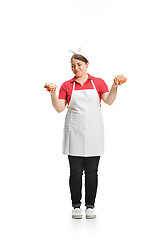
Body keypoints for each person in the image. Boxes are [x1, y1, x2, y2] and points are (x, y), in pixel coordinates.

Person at [44, 49, 127, 219]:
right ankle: (76, 206)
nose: (76, 68)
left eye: (79, 65)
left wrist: (115, 86)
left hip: (94, 133)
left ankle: (90, 206)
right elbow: (59, 108)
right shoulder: (67, 85)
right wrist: (52, 93)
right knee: (75, 172)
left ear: (87, 65)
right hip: (74, 133)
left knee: (92, 172)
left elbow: (109, 101)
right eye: (73, 66)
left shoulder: (98, 82)